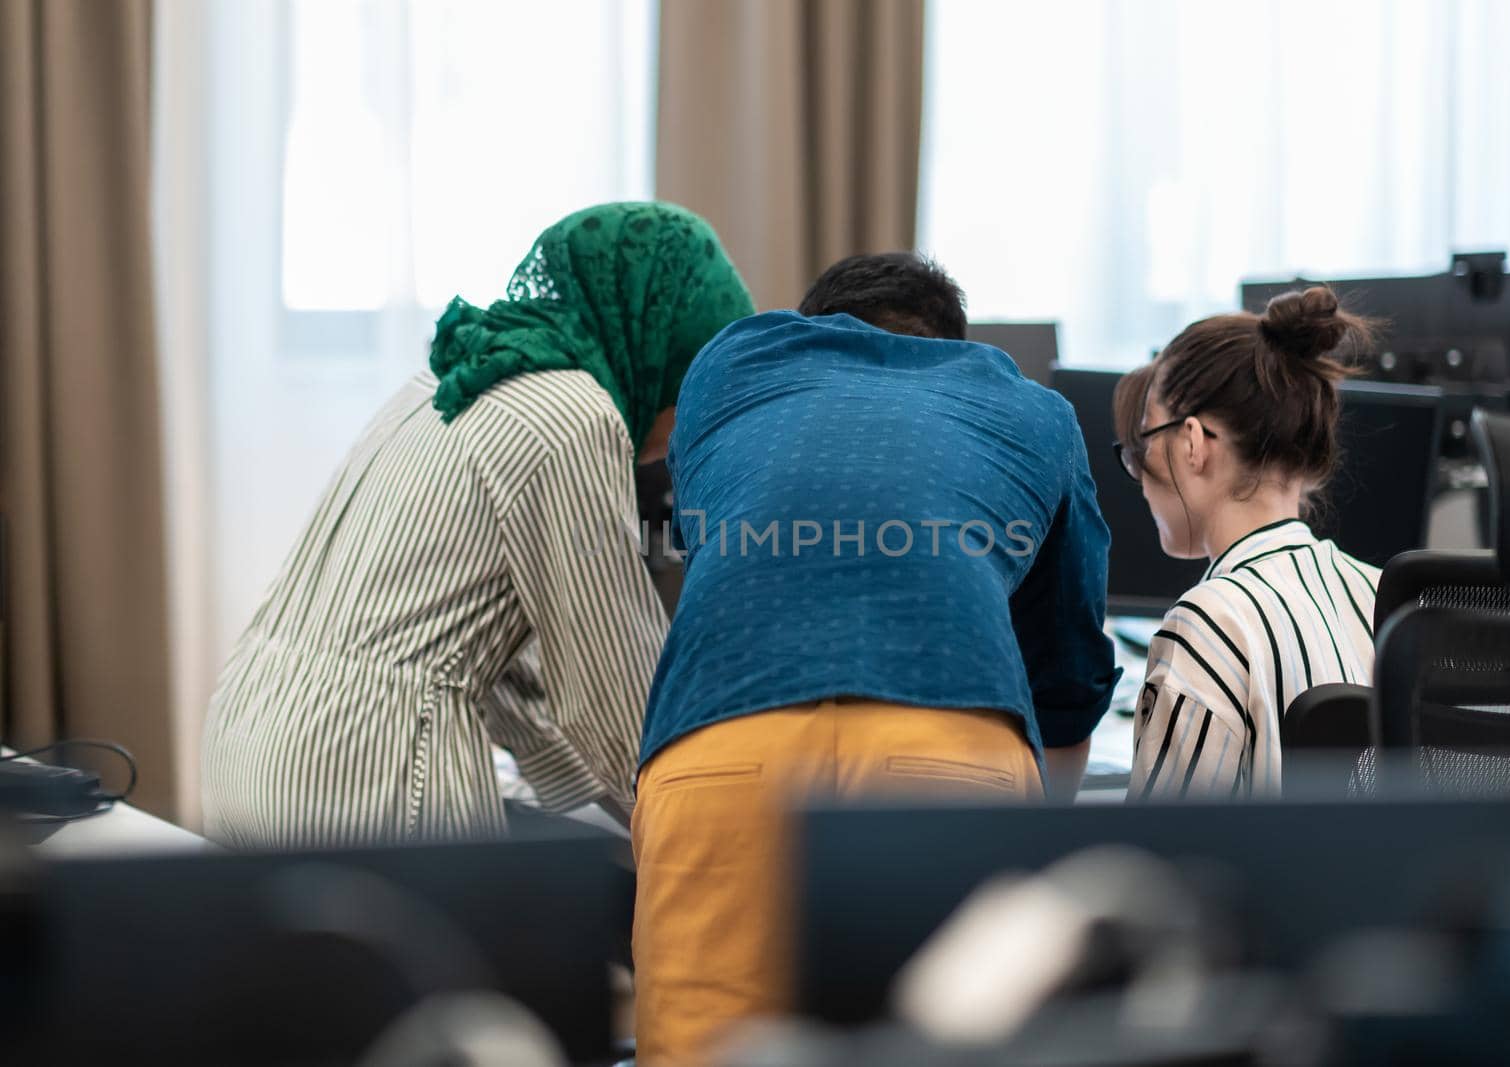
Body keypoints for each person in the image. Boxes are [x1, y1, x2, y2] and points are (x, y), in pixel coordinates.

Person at [630, 252, 1120, 1063]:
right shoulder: (1033, 412)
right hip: (950, 740)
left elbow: (701, 525)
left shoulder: (728, 367)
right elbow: (1066, 666)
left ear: (810, 328)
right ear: (953, 348)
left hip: (721, 740)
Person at [200, 202, 753, 847]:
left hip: (250, 737)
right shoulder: (573, 418)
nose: (686, 436)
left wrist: (589, 795)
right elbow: (615, 684)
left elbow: (498, 664)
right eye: (698, 398)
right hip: (368, 776)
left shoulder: (447, 379)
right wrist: (718, 830)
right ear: (666, 355)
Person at [1114, 286, 1380, 801]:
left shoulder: (1208, 623)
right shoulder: (1381, 594)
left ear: (1192, 443)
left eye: (1143, 445)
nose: (1140, 476)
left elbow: (1161, 859)